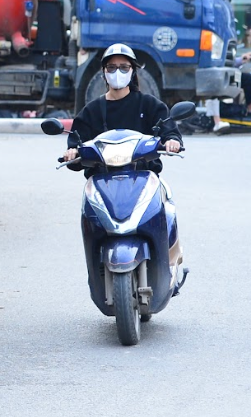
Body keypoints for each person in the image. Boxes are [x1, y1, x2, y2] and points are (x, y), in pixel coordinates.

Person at [65, 43, 185, 291]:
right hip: (103, 179)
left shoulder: (149, 105)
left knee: (167, 209)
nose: (117, 72)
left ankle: (170, 263)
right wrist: (73, 151)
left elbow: (168, 127)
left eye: (123, 67)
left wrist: (172, 140)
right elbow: (76, 138)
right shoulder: (92, 111)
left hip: (143, 175)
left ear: (133, 71)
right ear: (103, 73)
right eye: (112, 67)